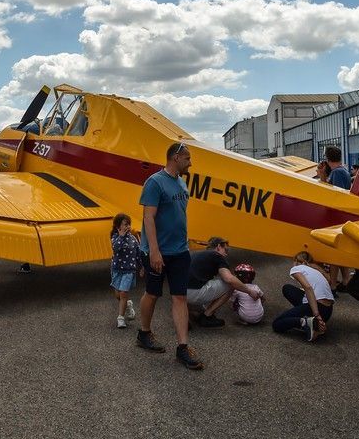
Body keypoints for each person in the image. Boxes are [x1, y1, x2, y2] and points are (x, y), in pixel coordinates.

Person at [135, 142, 202, 370]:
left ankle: (183, 347)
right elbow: (148, 218)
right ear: (175, 157)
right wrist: (154, 250)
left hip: (180, 252)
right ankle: (144, 333)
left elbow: (177, 216)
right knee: (152, 294)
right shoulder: (155, 182)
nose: (190, 163)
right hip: (158, 252)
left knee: (179, 297)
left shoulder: (181, 182)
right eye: (187, 158)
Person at [186, 236, 258, 326]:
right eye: (226, 250)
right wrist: (250, 291)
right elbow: (229, 279)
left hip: (179, 295)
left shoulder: (196, 255)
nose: (226, 254)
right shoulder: (217, 256)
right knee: (231, 284)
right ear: (219, 246)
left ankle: (187, 314)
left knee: (212, 281)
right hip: (193, 293)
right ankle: (207, 316)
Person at [272, 251, 334, 342]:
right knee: (287, 288)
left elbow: (308, 288)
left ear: (296, 261)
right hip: (328, 311)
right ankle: (314, 324)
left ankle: (305, 322)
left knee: (277, 324)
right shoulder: (316, 270)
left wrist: (317, 315)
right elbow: (329, 281)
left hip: (318, 308)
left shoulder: (296, 268)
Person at [109, 213, 138, 329]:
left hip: (129, 270)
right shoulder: (115, 238)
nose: (127, 227)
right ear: (118, 226)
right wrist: (121, 236)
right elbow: (116, 248)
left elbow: (137, 253)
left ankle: (120, 318)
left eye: (128, 224)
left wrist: (140, 267)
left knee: (123, 293)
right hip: (117, 269)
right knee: (118, 295)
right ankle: (128, 304)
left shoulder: (133, 239)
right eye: (125, 224)